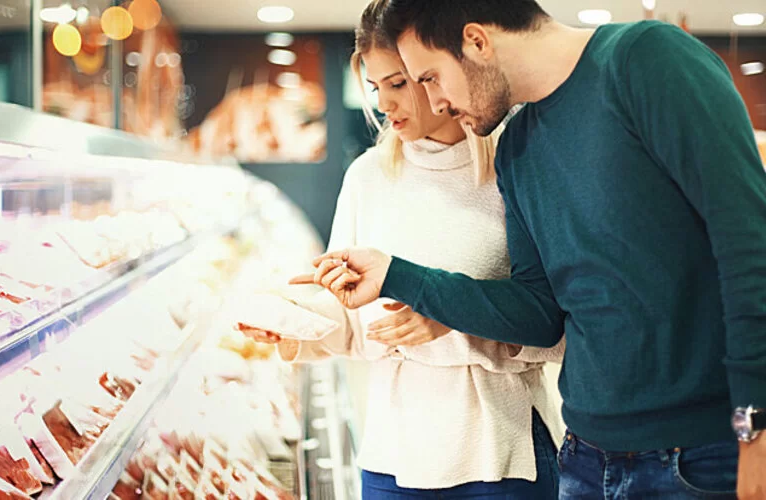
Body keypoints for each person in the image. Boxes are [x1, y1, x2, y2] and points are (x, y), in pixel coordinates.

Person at [296, 1, 766, 499]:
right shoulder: (519, 144)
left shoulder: (644, 59)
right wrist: (396, 274)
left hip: (700, 454)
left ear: (476, 41)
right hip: (585, 455)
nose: (434, 102)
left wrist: (754, 426)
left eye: (430, 77)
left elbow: (748, 245)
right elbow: (539, 312)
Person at [238, 1, 565, 498]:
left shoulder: (516, 169)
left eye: (398, 83)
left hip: (501, 453)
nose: (385, 104)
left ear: (434, 71)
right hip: (394, 457)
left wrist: (452, 319)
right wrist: (296, 323)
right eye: (375, 88)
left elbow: (556, 329)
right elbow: (355, 325)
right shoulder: (367, 177)